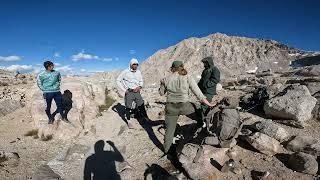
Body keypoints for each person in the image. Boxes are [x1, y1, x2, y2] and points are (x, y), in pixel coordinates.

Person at [159, 60, 216, 154]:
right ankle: (201, 124)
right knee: (197, 107)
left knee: (169, 130)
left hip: (170, 107)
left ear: (172, 68)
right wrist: (209, 104)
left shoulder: (166, 79)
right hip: (184, 106)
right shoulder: (187, 77)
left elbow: (161, 93)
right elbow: (198, 94)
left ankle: (166, 151)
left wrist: (161, 82)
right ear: (182, 67)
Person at [116, 58, 150, 129]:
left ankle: (146, 119)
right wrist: (124, 90)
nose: (135, 66)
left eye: (137, 64)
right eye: (134, 64)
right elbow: (118, 80)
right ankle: (129, 122)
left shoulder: (138, 72)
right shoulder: (125, 72)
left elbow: (141, 81)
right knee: (128, 107)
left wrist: (140, 87)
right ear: (131, 64)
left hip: (137, 91)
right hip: (129, 92)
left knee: (141, 105)